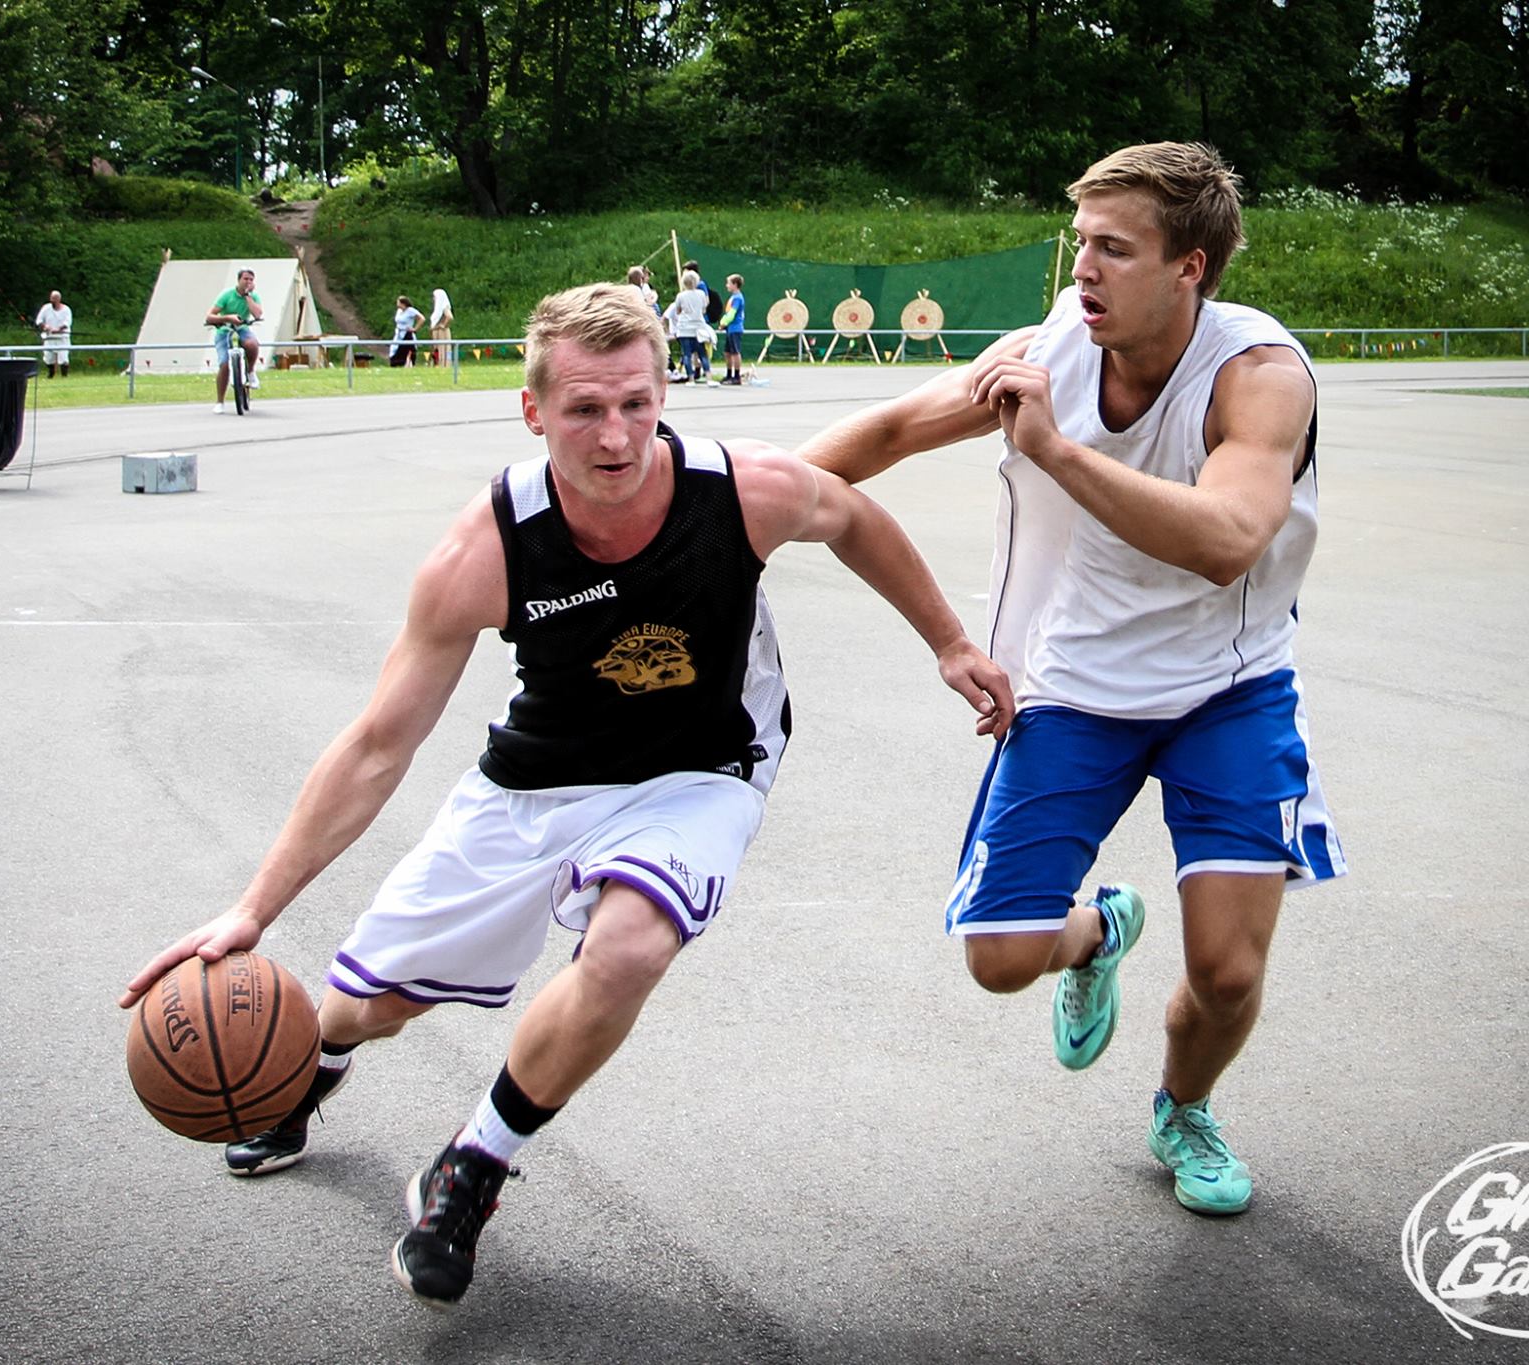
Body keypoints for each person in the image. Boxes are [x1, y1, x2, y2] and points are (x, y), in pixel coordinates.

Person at [118, 281, 1013, 1307]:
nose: (617, 433)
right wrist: (250, 911)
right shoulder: (486, 548)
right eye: (585, 408)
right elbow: (376, 745)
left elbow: (852, 515)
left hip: (702, 767)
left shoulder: (741, 490)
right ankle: (310, 1065)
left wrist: (949, 641)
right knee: (372, 1003)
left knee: (632, 942)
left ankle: (473, 1164)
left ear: (663, 389)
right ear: (535, 411)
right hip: (538, 775)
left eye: (636, 401)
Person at [797, 142, 1344, 1218]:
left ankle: (1181, 1109)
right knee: (998, 959)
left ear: (1189, 267)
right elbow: (899, 426)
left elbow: (1229, 537)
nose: (1081, 271)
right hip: (1077, 682)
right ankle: (1099, 931)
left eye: (1114, 249)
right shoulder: (1054, 347)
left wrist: (1051, 447)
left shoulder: (1259, 377)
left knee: (1227, 974)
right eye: (1079, 243)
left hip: (1224, 688)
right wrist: (732, 501)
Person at [206, 268, 262, 413]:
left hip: (242, 328)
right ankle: (220, 401)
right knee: (224, 364)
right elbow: (210, 316)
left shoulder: (253, 296)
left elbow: (257, 314)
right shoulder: (227, 295)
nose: (248, 282)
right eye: (245, 279)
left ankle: (250, 372)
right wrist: (227, 318)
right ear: (239, 280)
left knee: (252, 344)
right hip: (225, 329)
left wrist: (248, 296)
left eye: (251, 279)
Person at [662, 270, 711, 384]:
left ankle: (691, 378)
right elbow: (703, 309)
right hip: (698, 326)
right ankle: (709, 377)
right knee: (702, 353)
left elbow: (678, 311)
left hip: (684, 328)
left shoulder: (680, 296)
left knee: (687, 354)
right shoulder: (701, 294)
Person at [33, 290, 73, 378]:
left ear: (59, 299)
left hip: (62, 338)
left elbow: (67, 323)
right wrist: (45, 327)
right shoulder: (46, 308)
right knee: (48, 358)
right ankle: (51, 374)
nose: (52, 301)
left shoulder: (66, 309)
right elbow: (39, 321)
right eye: (51, 298)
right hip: (49, 337)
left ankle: (64, 376)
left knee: (63, 358)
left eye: (54, 299)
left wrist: (58, 329)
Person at [719, 274, 747, 386]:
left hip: (735, 328)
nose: (727, 285)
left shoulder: (737, 298)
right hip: (730, 329)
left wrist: (723, 323)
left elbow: (732, 314)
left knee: (735, 352)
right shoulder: (733, 297)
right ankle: (729, 374)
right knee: (727, 352)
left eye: (729, 283)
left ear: (735, 284)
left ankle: (736, 376)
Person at [390, 294, 423, 367]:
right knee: (394, 348)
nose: (397, 304)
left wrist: (415, 329)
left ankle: (407, 363)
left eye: (398, 302)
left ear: (403, 303)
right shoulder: (399, 311)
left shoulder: (410, 311)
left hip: (406, 333)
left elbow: (421, 318)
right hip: (398, 333)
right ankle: (395, 363)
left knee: (407, 349)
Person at [427, 289, 453, 367]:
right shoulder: (437, 309)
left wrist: (443, 325)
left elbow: (449, 317)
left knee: (442, 348)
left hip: (442, 332)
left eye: (434, 297)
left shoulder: (444, 307)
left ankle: (444, 364)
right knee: (436, 348)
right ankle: (437, 363)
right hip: (437, 331)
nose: (433, 299)